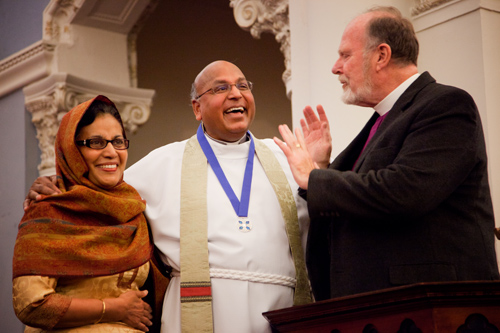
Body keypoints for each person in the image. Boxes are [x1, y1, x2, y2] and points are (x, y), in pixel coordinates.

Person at [24, 60, 312, 332]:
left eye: (243, 86)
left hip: (281, 306)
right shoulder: (163, 162)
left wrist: (320, 168)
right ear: (197, 108)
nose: (236, 94)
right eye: (221, 88)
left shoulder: (286, 157)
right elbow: (98, 190)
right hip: (198, 308)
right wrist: (54, 184)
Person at [274, 6, 499, 301]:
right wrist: (321, 166)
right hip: (377, 305)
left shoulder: (447, 104)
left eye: (345, 55)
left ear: (381, 55)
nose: (335, 67)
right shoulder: (382, 119)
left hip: (430, 304)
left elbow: (405, 191)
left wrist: (314, 178)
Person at [13, 96, 155, 332]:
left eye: (118, 141)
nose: (111, 152)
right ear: (72, 149)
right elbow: (31, 304)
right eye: (96, 142)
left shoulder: (134, 210)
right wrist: (114, 309)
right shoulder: (48, 212)